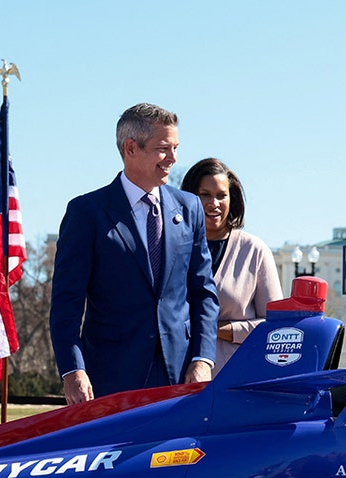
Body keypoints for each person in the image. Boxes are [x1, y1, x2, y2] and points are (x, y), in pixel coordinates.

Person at [50, 103, 219, 404]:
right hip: (111, 380)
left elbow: (203, 293)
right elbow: (66, 304)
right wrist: (72, 370)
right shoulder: (87, 213)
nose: (173, 158)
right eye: (163, 148)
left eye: (176, 148)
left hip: (179, 378)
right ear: (131, 148)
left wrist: (203, 359)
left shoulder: (189, 208)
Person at [181, 158, 283, 373]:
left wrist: (221, 330)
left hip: (237, 379)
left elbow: (277, 327)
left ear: (232, 199)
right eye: (205, 195)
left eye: (221, 196)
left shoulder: (254, 250)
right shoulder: (173, 246)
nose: (213, 203)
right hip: (180, 379)